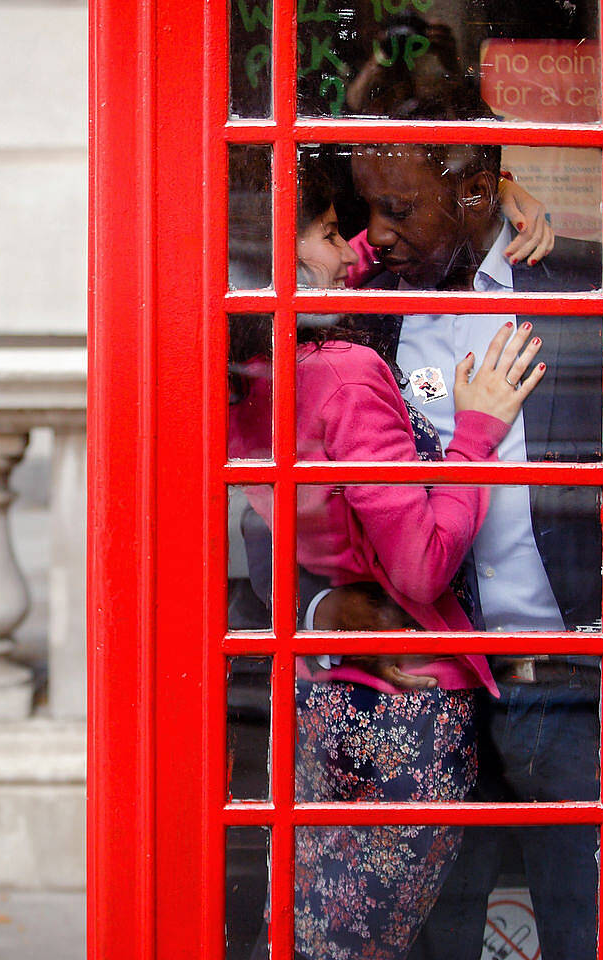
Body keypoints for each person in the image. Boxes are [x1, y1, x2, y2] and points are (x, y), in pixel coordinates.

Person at [301, 76, 603, 960]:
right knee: (433, 941)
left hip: (574, 689)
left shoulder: (592, 287)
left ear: (472, 192)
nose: (378, 233)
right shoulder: (365, 318)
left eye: (398, 209)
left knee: (594, 931)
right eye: (367, 210)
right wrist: (325, 616)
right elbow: (292, 511)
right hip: (429, 700)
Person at [227, 155, 550, 960]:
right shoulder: (346, 373)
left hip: (325, 697)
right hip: (412, 710)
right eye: (334, 234)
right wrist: (475, 429)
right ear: (281, 257)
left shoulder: (246, 378)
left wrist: (490, 198)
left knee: (324, 935)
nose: (353, 250)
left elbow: (379, 244)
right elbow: (420, 568)